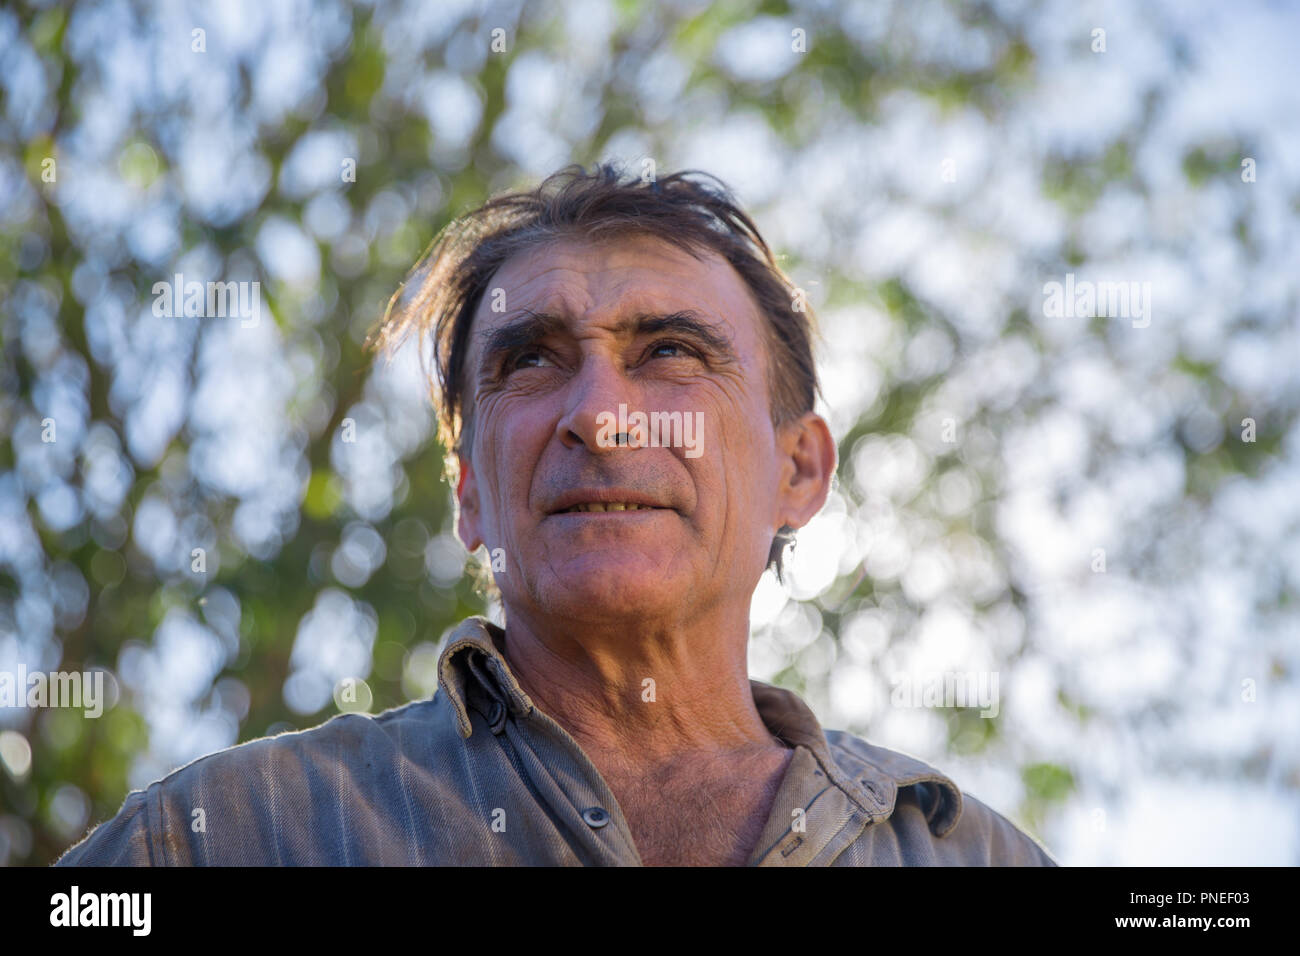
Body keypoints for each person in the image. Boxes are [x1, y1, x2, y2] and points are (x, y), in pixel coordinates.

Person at [57, 163, 1056, 866]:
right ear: (471, 493)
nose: (596, 416)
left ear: (799, 467)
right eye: (529, 359)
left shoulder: (972, 858)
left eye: (669, 352)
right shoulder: (228, 834)